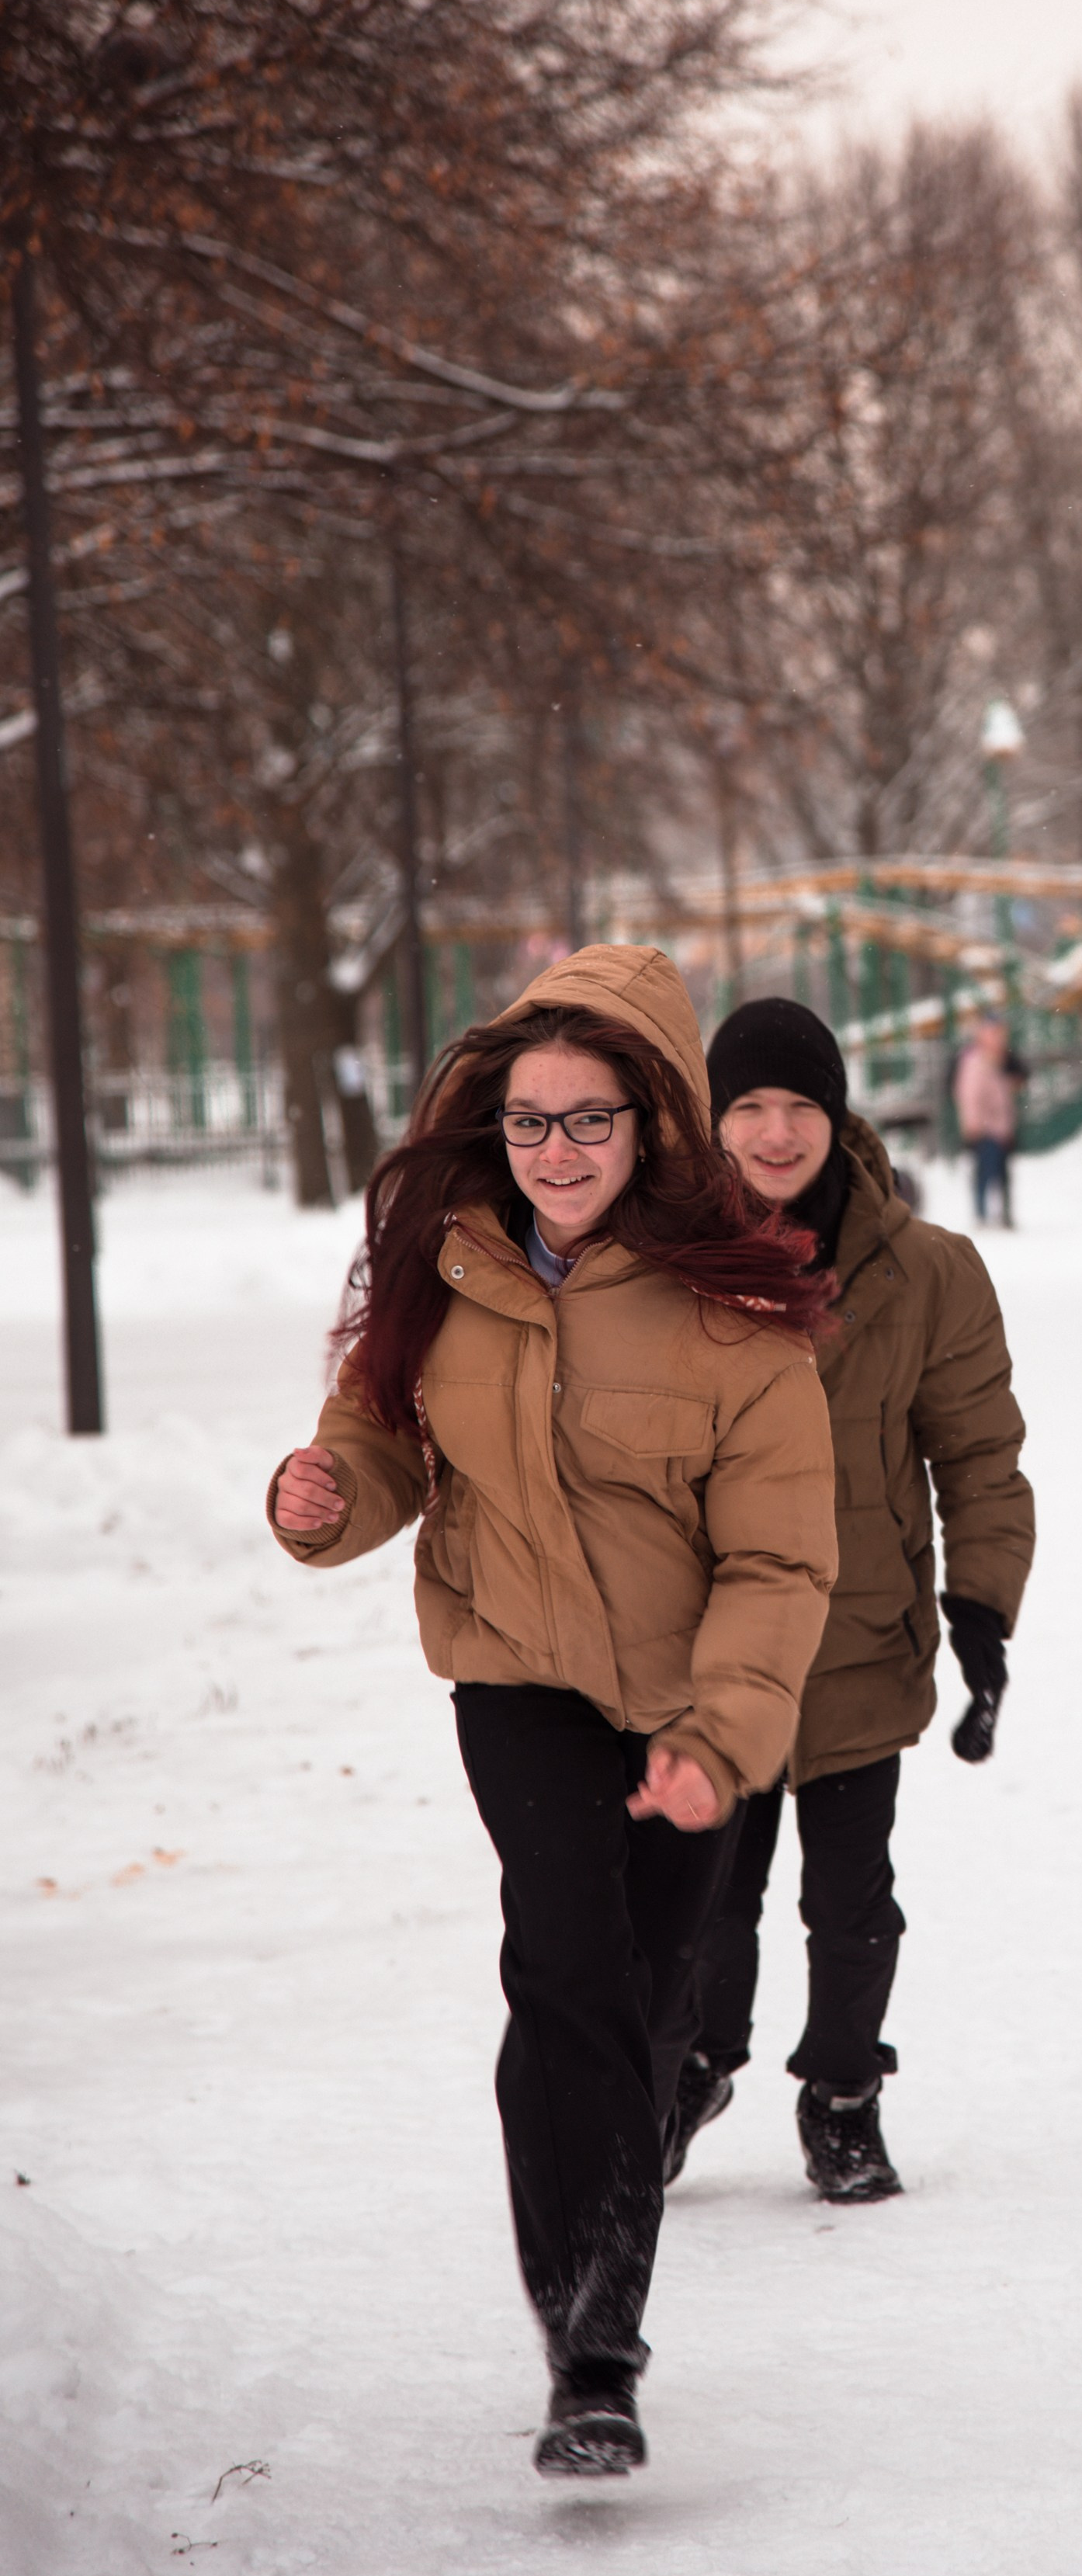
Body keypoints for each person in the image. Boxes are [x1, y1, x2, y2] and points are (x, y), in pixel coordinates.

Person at [265, 947, 837, 2480]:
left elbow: (780, 1560)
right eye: (530, 1120)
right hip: (516, 1677)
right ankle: (592, 2349)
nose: (556, 1150)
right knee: (566, 1966)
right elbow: (380, 1432)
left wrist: (719, 1736)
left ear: (652, 1123)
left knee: (640, 2008)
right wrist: (327, 1496)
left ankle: (598, 2263)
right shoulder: (451, 1268)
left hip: (685, 1707)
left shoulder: (736, 1315)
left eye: (589, 1119)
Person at [671, 996, 1035, 2204]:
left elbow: (978, 1456)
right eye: (749, 1108)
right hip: (707, 1643)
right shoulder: (657, 1268)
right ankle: (694, 2066)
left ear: (839, 1117)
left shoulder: (929, 1273)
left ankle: (841, 2092)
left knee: (849, 1897)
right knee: (704, 1893)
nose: (776, 1133)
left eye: (801, 1107)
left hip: (858, 1633)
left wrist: (981, 1608)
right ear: (712, 1122)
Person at [953, 1014, 1023, 1228]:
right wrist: (973, 1123)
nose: (1000, 1038)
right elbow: (970, 1095)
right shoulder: (975, 1060)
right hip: (985, 1128)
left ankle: (1004, 1214)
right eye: (995, 1033)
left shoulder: (1000, 1059)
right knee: (985, 1172)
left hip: (1001, 1127)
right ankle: (981, 1214)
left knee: (1003, 1173)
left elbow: (1007, 1088)